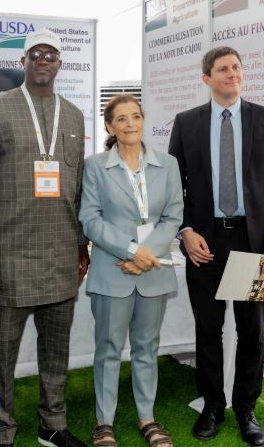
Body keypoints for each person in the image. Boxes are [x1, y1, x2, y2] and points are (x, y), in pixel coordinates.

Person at [168, 46, 264, 446]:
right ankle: (211, 405)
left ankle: (246, 408)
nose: (233, 73)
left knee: (251, 331)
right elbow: (173, 187)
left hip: (253, 244)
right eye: (223, 69)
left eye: (237, 67)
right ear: (206, 78)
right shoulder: (186, 123)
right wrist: (185, 230)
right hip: (203, 242)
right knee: (208, 329)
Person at [0, 28, 89, 447]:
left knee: (57, 349)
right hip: (10, 255)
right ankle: (2, 431)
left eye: (50, 54)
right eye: (35, 53)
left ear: (60, 64)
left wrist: (81, 243)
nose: (42, 60)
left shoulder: (73, 115)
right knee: (2, 352)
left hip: (61, 252)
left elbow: (78, 187)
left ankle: (52, 424)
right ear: (22, 61)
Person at [78, 95, 183, 447]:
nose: (130, 124)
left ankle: (147, 418)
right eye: (121, 119)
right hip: (113, 269)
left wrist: (145, 255)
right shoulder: (95, 166)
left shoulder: (167, 164)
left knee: (146, 347)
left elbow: (173, 216)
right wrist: (131, 251)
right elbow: (90, 219)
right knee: (108, 347)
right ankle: (104, 422)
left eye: (135, 116)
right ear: (109, 126)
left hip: (152, 270)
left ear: (143, 120)